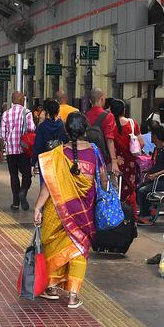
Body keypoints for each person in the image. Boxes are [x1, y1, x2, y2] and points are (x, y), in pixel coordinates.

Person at [32, 112, 106, 309]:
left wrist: (38, 208)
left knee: (55, 246)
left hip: (58, 211)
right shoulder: (95, 152)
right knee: (79, 249)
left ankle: (53, 288)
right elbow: (104, 181)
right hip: (84, 211)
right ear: (85, 129)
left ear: (66, 130)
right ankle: (73, 295)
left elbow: (47, 186)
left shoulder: (57, 154)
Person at [0, 91, 36, 211]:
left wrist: (0, 151)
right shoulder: (27, 113)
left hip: (10, 150)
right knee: (27, 175)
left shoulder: (6, 114)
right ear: (21, 100)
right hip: (23, 150)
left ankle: (15, 203)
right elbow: (32, 128)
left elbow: (2, 135)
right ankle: (23, 191)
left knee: (13, 175)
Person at [104, 98, 140, 215]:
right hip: (130, 165)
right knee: (129, 191)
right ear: (124, 110)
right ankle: (130, 218)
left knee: (113, 190)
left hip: (113, 164)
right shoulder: (132, 123)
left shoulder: (109, 125)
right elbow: (142, 143)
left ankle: (114, 216)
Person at [136, 125, 164, 224]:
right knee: (138, 188)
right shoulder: (157, 150)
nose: (151, 137)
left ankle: (146, 215)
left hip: (163, 181)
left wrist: (155, 174)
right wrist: (147, 171)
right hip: (154, 179)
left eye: (152, 135)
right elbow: (156, 165)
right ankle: (145, 212)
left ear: (156, 136)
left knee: (143, 191)